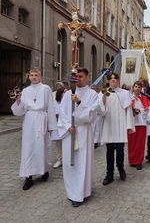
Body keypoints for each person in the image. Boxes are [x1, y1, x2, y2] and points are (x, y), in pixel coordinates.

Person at [57, 68, 98, 207]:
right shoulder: (68, 93)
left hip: (83, 131)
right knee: (69, 162)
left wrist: (79, 102)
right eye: (76, 76)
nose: (78, 79)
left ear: (86, 77)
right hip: (70, 132)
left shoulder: (92, 94)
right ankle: (72, 192)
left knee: (81, 162)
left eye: (81, 76)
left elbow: (92, 115)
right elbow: (62, 113)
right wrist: (68, 125)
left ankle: (81, 192)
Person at [11, 68, 57, 190]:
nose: (34, 77)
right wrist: (18, 100)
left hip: (42, 118)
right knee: (28, 147)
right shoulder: (25, 91)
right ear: (29, 77)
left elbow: (51, 108)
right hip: (30, 121)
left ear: (40, 76)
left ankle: (44, 170)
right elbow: (21, 110)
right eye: (32, 75)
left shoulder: (46, 89)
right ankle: (28, 177)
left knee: (42, 146)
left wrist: (51, 125)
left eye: (36, 75)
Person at [97, 72, 135, 186]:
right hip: (109, 125)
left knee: (120, 151)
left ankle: (121, 169)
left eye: (115, 78)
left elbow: (128, 110)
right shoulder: (104, 91)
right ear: (108, 80)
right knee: (109, 152)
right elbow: (101, 109)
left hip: (120, 125)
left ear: (118, 80)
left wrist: (129, 126)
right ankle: (109, 174)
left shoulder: (125, 93)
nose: (113, 80)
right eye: (111, 78)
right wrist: (104, 95)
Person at [128, 81, 150, 170]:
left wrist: (140, 110)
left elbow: (148, 110)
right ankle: (132, 160)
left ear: (141, 89)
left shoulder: (144, 98)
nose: (137, 88)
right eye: (136, 86)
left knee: (140, 143)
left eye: (139, 87)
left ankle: (139, 162)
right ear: (133, 87)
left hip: (141, 123)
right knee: (132, 143)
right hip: (132, 122)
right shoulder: (129, 98)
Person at [53, 84, 66, 169]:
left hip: (67, 126)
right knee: (59, 144)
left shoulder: (70, 102)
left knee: (67, 144)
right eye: (64, 92)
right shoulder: (55, 103)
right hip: (58, 125)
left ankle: (68, 159)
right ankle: (60, 160)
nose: (66, 93)